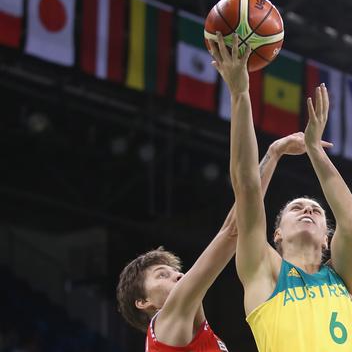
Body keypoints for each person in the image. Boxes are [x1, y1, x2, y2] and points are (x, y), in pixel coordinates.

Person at [115, 41, 322, 352]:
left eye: (175, 271)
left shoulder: (192, 332)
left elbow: (236, 223)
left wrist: (274, 153)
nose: (178, 276)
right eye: (162, 274)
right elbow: (232, 231)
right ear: (143, 302)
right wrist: (240, 94)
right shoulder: (168, 322)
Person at [211, 32, 352, 351]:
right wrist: (241, 94)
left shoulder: (341, 279)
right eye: (297, 209)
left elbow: (350, 222)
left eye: (315, 210)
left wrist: (315, 150)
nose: (308, 210)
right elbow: (247, 189)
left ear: (326, 238)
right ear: (277, 234)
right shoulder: (264, 271)